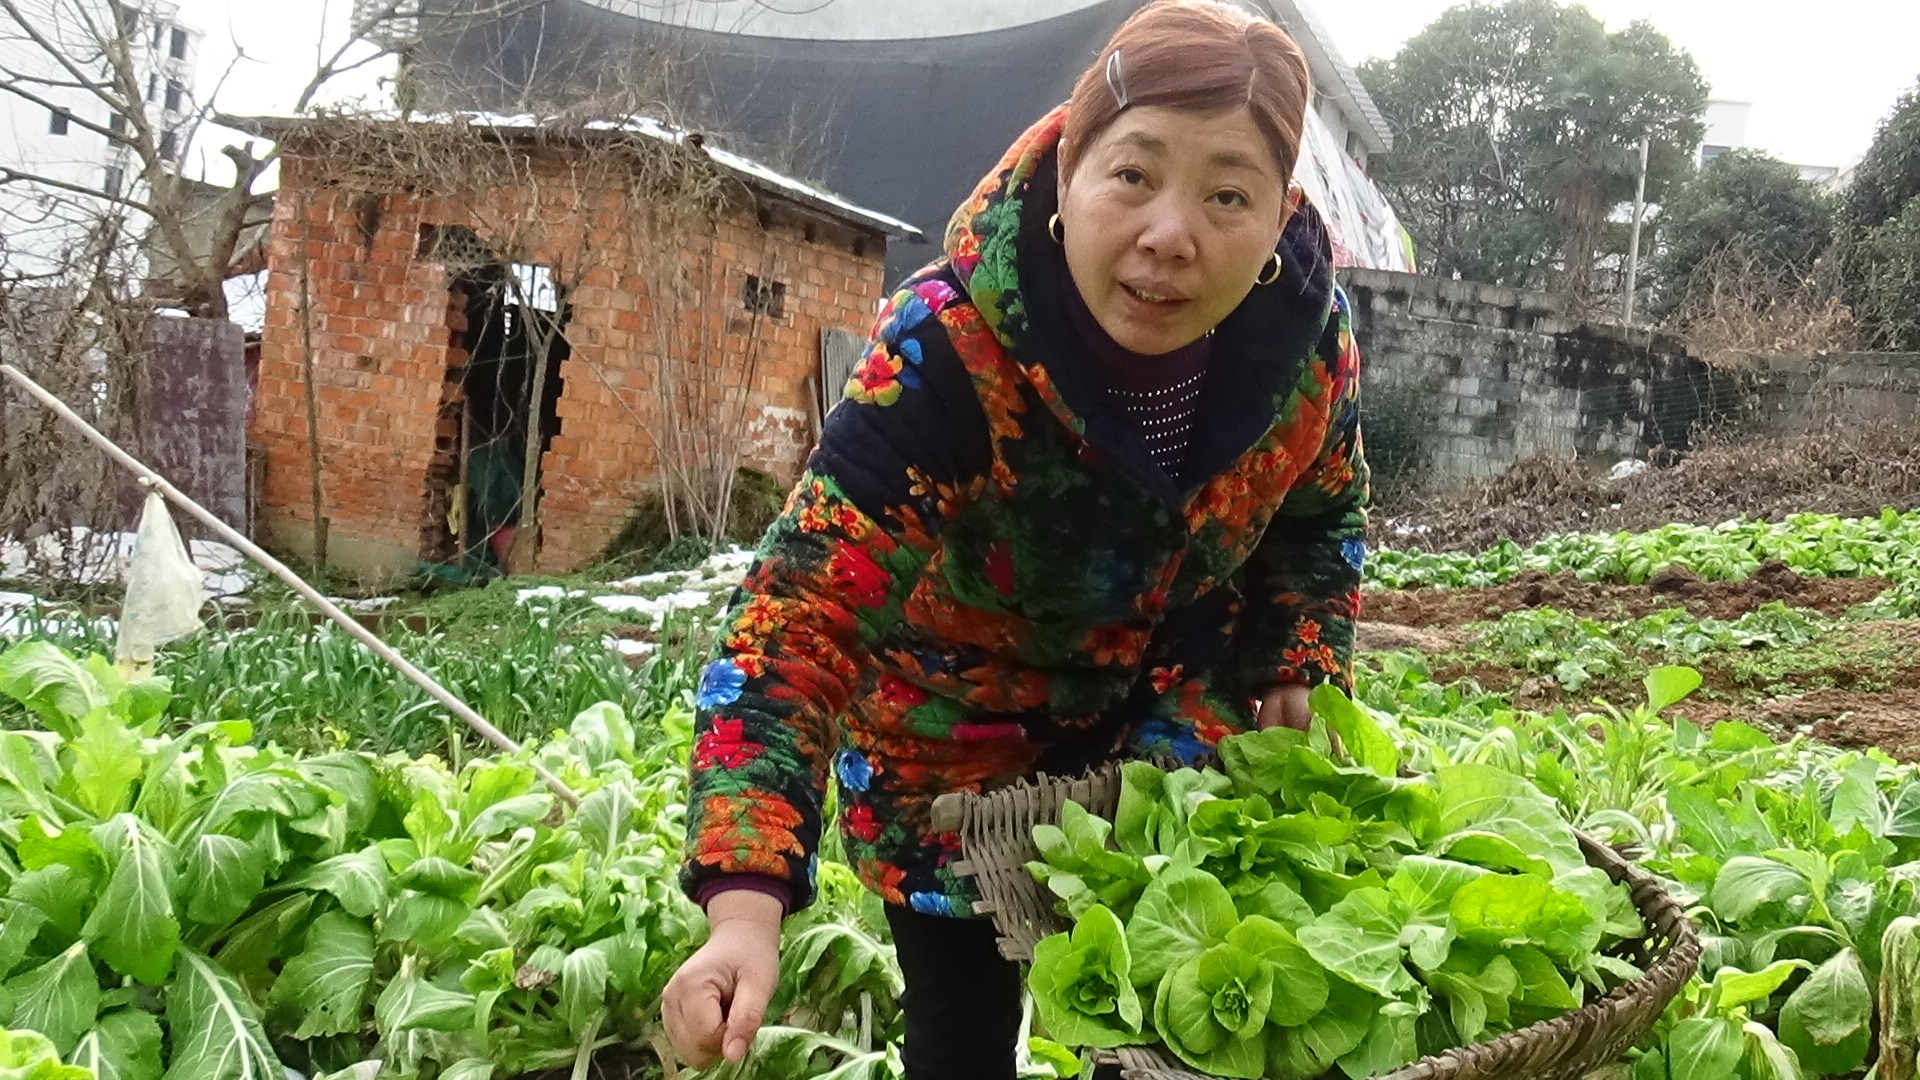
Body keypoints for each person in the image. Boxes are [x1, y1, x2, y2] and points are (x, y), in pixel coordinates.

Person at [662, 2, 1369, 1076]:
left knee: (1161, 1030)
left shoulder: (1303, 342)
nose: (1171, 235)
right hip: (952, 758)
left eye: (1229, 193)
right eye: (1134, 174)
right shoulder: (946, 353)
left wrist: (1295, 653)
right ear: (1070, 174)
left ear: (1280, 219)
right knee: (962, 1042)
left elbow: (1321, 516)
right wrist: (744, 906)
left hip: (1169, 744)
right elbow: (796, 625)